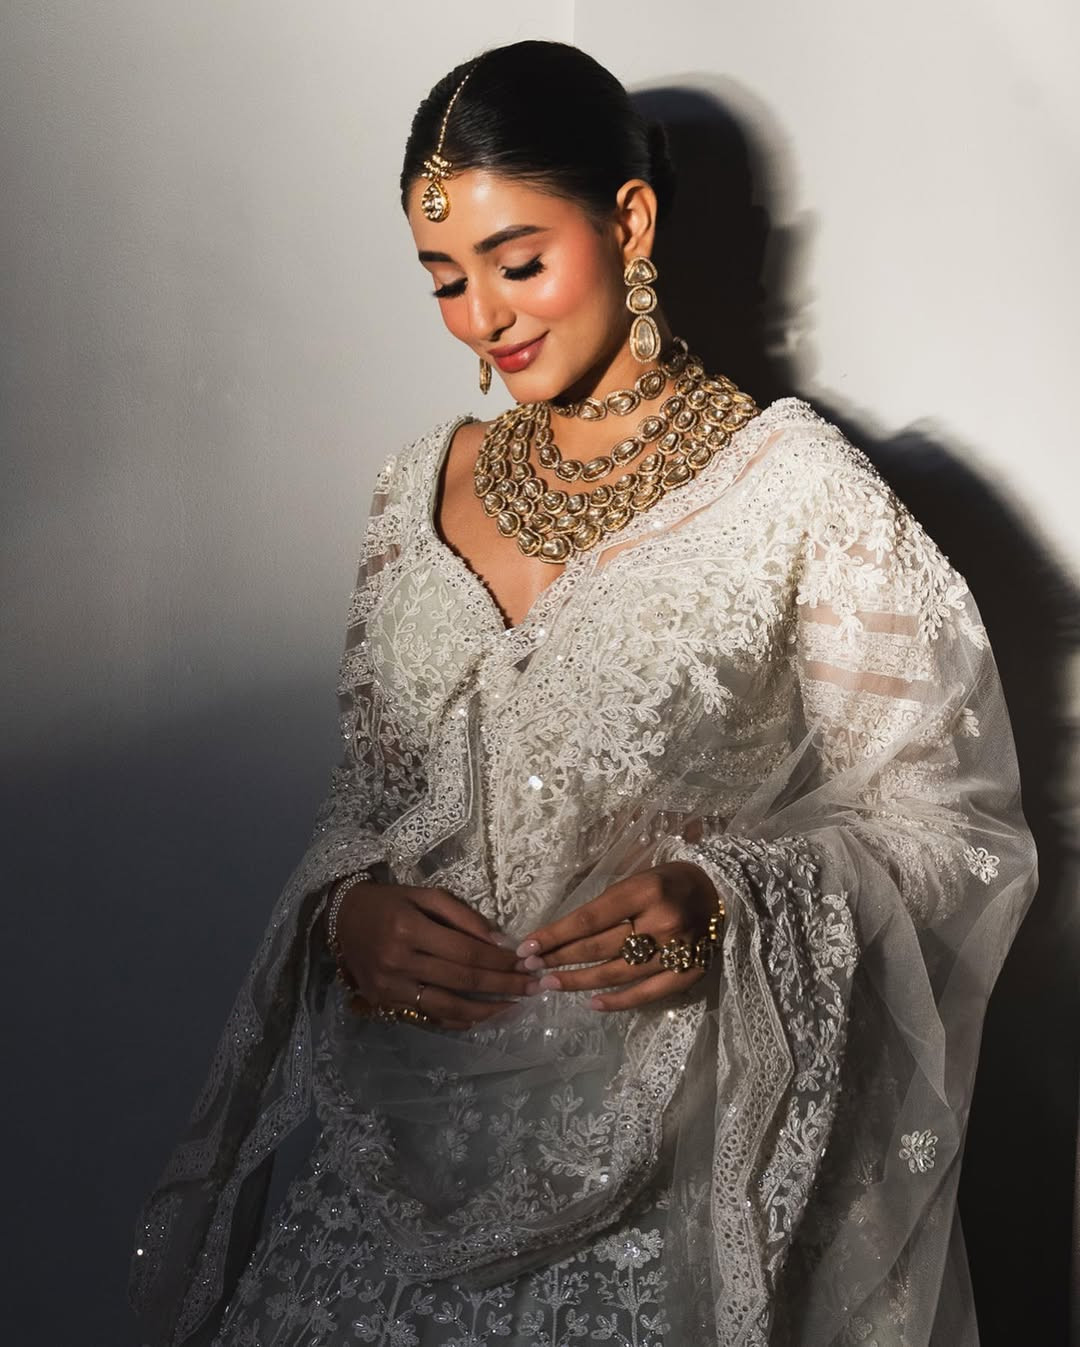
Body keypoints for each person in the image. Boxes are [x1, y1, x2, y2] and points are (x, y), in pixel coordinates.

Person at [130, 39, 1038, 1347]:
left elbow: (951, 827)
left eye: (517, 263)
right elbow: (370, 801)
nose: (483, 318)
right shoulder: (415, 491)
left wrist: (730, 906)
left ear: (630, 221)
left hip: (660, 1179)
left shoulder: (794, 494)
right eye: (446, 278)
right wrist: (346, 916)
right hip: (386, 1167)